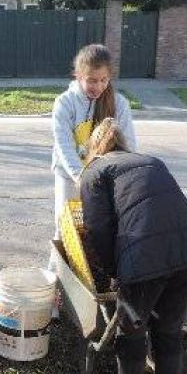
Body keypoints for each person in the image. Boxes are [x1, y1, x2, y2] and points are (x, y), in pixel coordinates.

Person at [78, 118, 187, 374]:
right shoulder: (151, 162)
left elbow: (98, 230)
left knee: (131, 329)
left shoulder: (94, 171)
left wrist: (112, 272)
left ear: (94, 148)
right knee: (169, 330)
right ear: (123, 143)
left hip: (144, 260)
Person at [51, 44, 137, 241]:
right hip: (70, 177)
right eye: (91, 80)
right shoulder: (65, 103)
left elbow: (129, 146)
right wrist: (79, 177)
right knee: (66, 230)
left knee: (98, 233)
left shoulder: (119, 104)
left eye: (103, 80)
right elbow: (64, 146)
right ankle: (57, 271)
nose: (98, 87)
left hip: (103, 179)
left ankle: (92, 272)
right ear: (78, 76)